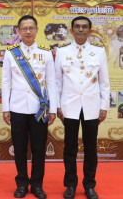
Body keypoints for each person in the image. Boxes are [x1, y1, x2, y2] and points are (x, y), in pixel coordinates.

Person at [2, 15, 57, 199]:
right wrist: (5, 108)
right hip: (17, 108)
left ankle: (37, 185)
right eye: (24, 28)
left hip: (38, 109)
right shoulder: (11, 53)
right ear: (18, 31)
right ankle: (22, 184)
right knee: (19, 148)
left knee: (39, 148)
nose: (27, 32)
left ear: (36, 30)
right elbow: (6, 81)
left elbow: (51, 82)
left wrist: (53, 109)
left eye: (31, 28)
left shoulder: (46, 53)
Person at [55, 16, 110, 199]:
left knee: (90, 148)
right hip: (69, 106)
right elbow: (57, 82)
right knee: (70, 147)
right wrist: (57, 105)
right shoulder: (62, 52)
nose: (80, 29)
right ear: (71, 30)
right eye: (77, 27)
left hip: (91, 106)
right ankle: (70, 185)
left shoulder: (98, 51)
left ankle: (89, 185)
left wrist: (104, 106)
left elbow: (104, 83)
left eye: (84, 27)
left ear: (89, 30)